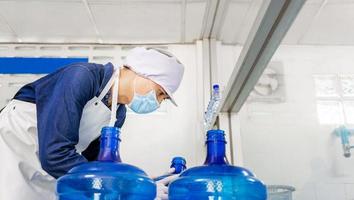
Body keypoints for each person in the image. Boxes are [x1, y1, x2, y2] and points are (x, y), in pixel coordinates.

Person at [0, 47, 184, 200]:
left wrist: (134, 181)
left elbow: (93, 165)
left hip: (46, 171)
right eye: (160, 93)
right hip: (14, 149)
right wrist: (123, 185)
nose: (158, 102)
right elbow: (55, 154)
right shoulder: (81, 76)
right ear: (142, 73)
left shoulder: (118, 114)